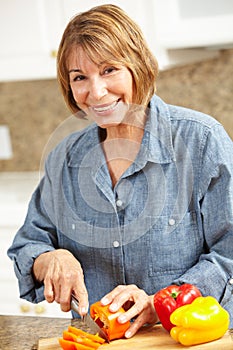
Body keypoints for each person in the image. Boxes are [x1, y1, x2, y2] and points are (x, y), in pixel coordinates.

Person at [8, 4, 233, 337]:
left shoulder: (201, 142)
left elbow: (229, 255)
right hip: (94, 342)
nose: (96, 92)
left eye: (109, 69)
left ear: (137, 66)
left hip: (186, 340)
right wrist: (50, 258)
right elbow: (29, 244)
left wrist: (158, 304)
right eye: (79, 77)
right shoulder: (63, 160)